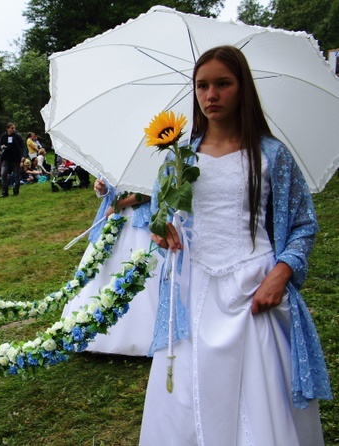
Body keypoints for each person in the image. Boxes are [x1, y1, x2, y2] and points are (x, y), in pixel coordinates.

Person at [139, 45, 329, 445]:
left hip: (253, 288)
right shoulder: (179, 158)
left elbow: (303, 224)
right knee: (190, 388)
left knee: (257, 395)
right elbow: (158, 217)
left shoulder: (271, 155)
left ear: (242, 88)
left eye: (223, 84)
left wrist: (281, 273)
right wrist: (161, 231)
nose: (211, 95)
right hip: (194, 290)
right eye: (202, 85)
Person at [62, 180, 160, 355]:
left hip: (138, 220)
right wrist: (102, 189)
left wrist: (120, 204)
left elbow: (151, 190)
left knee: (141, 270)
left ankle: (141, 334)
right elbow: (110, 190)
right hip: (112, 217)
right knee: (104, 270)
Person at [0, 122, 25, 198]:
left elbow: (23, 146)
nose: (13, 129)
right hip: (6, 158)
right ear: (7, 129)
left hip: (15, 159)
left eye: (14, 128)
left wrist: (23, 156)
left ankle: (16, 190)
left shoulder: (18, 136)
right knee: (3, 174)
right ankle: (4, 191)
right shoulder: (3, 136)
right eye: (12, 128)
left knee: (16, 175)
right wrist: (1, 147)